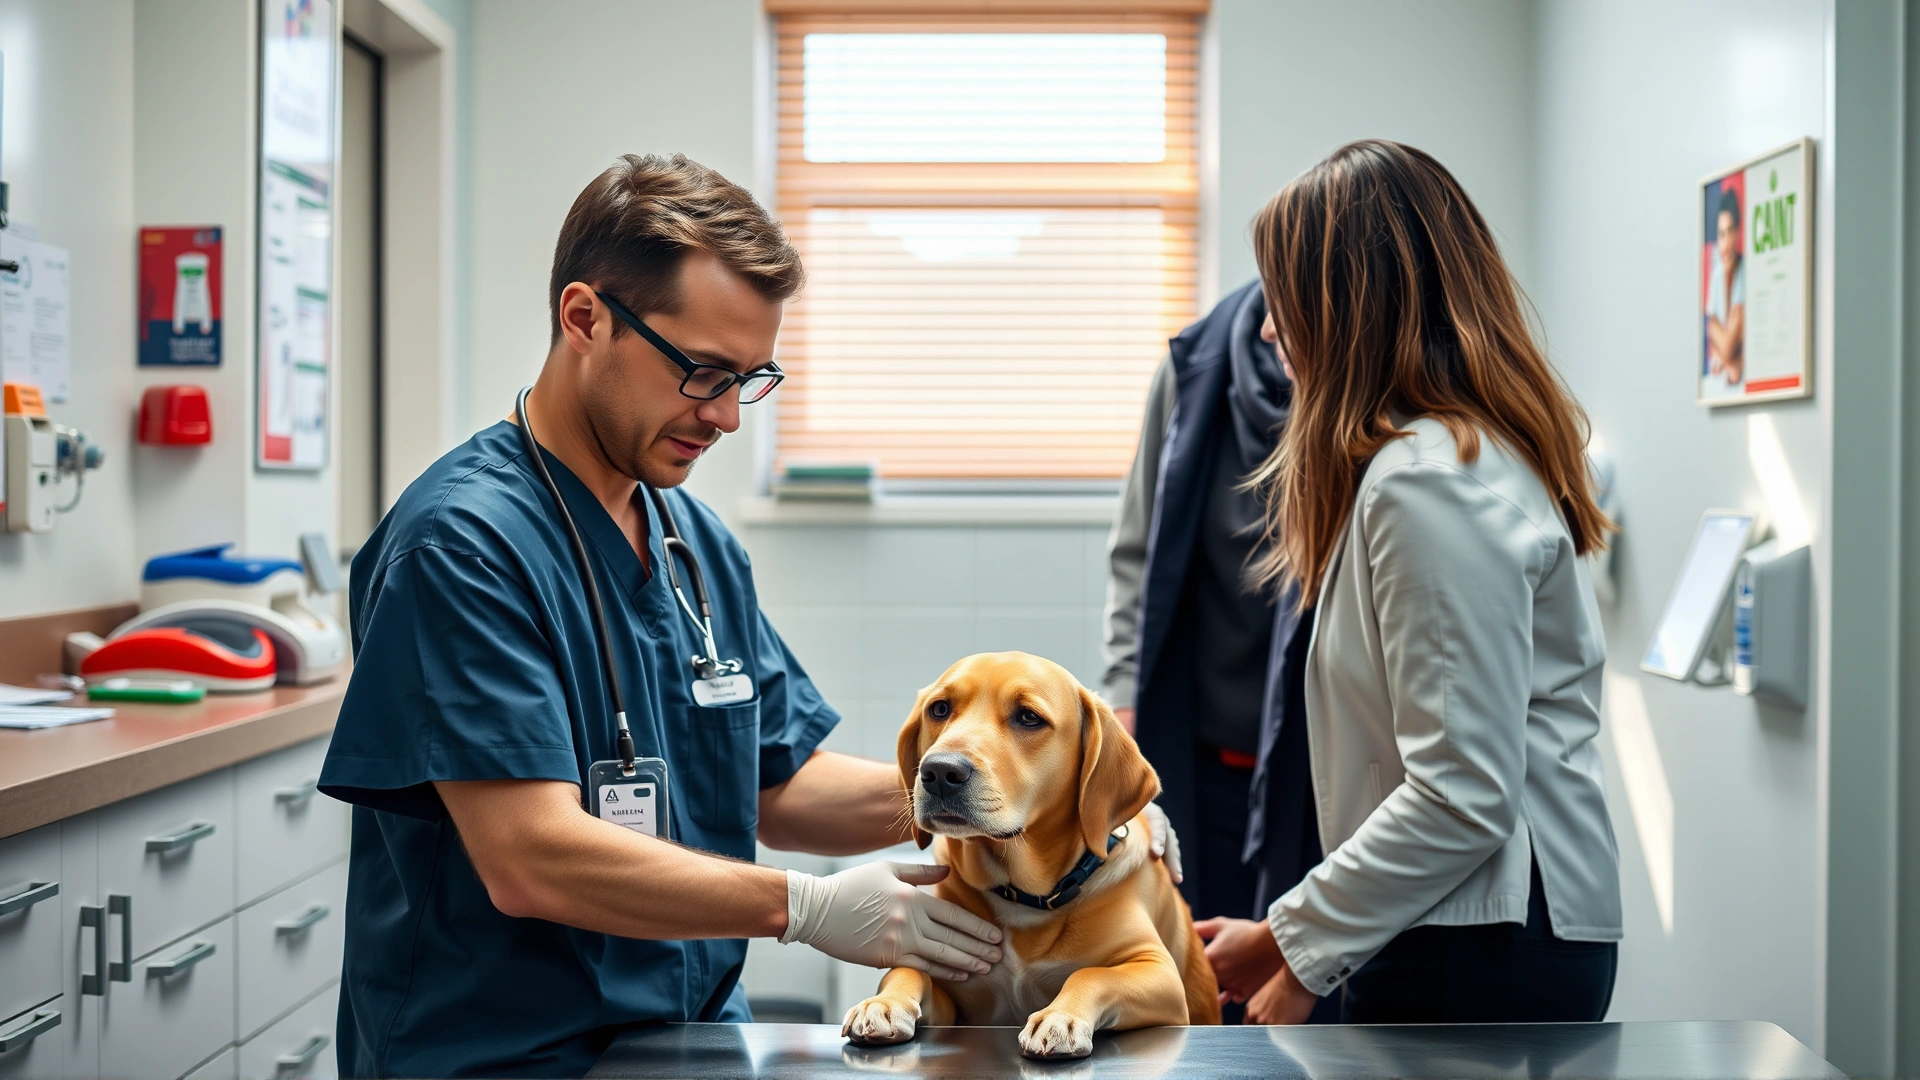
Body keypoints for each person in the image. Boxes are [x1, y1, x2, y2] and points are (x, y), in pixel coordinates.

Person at [316, 155, 1010, 1078]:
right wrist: (805, 907)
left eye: (751, 380)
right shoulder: (461, 545)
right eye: (703, 373)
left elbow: (778, 784)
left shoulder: (694, 544)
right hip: (507, 1054)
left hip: (695, 1038)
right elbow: (530, 857)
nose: (726, 417)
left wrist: (1007, 798)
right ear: (584, 318)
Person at [1199, 140, 1622, 1025]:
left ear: (1348, 304)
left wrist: (1300, 950)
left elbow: (1459, 795)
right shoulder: (1446, 461)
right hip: (1464, 924)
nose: (1269, 328)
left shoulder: (1430, 483)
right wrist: (1290, 939)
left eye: (1284, 297)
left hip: (1482, 940)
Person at [1100, 282, 1328, 1026]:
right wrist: (1123, 704)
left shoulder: (1360, 383)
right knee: (1196, 991)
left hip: (1322, 772)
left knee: (1310, 1003)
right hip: (1200, 756)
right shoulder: (1195, 366)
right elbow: (1138, 551)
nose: (1269, 329)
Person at [1703, 186, 1745, 396]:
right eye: (1720, 235)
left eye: (1729, 232)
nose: (1725, 243)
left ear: (1737, 233)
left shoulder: (1744, 272)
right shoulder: (1717, 274)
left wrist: (1724, 356)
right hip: (1725, 381)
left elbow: (1726, 345)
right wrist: (1732, 363)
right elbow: (1711, 328)